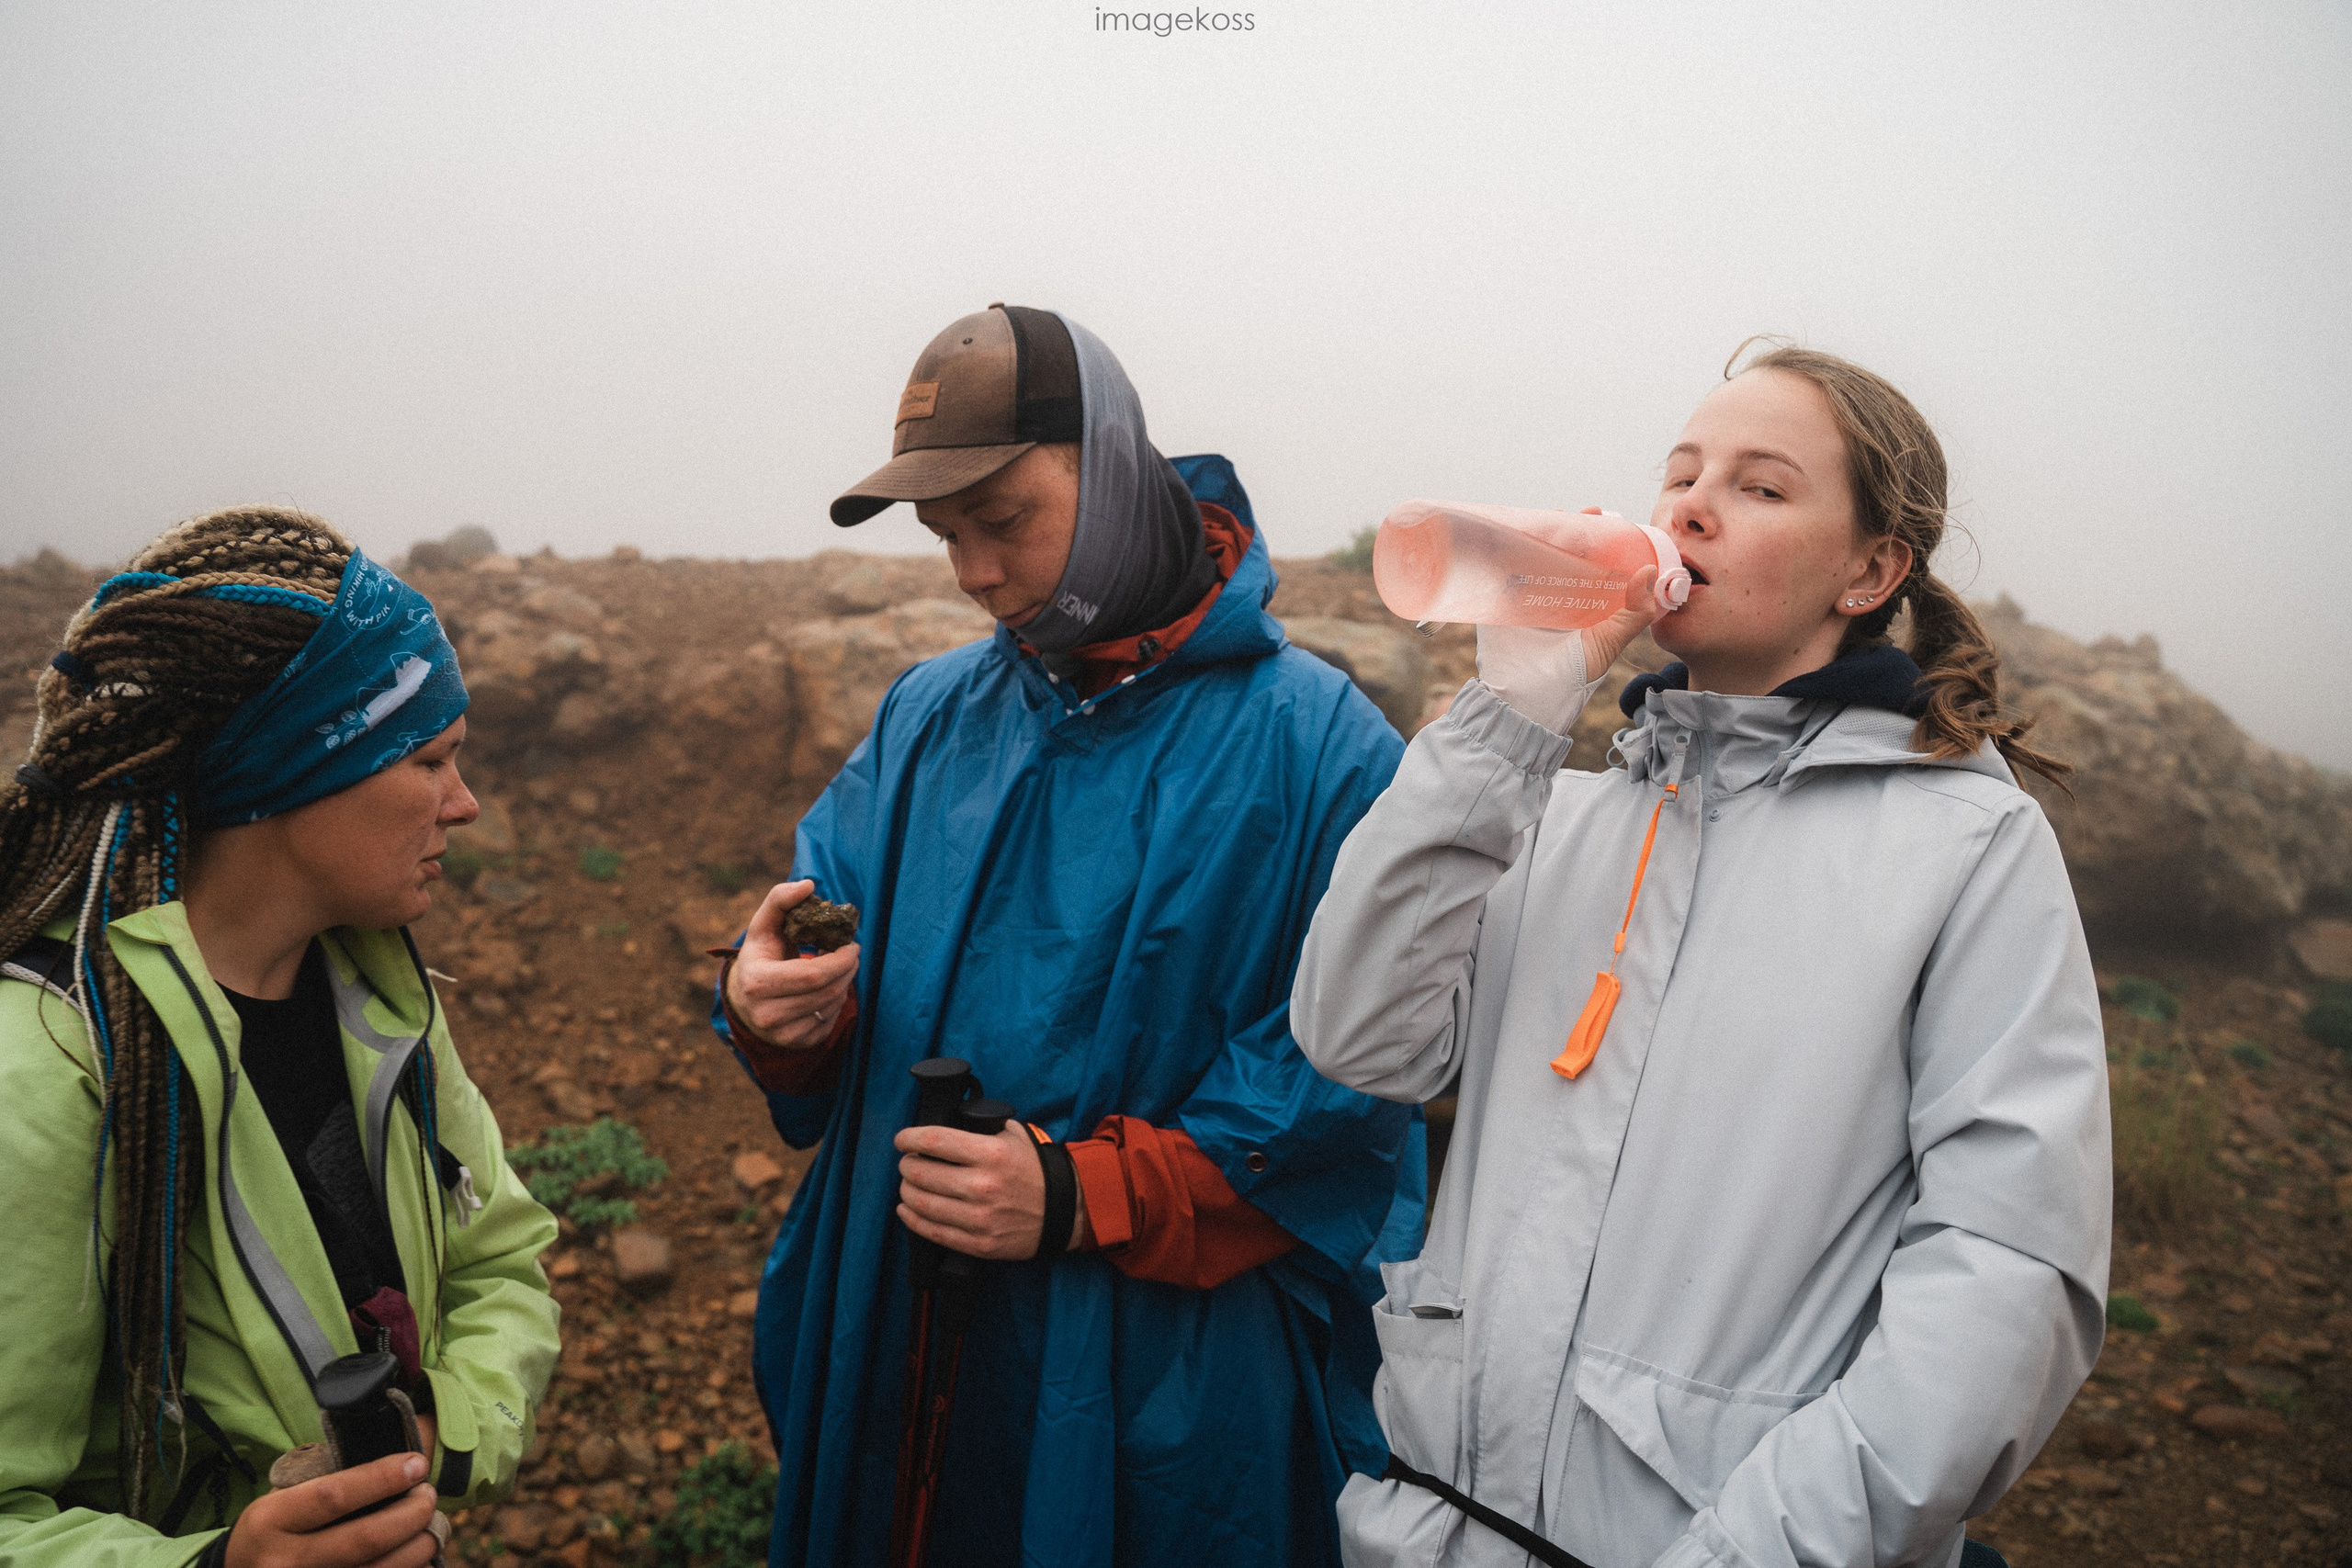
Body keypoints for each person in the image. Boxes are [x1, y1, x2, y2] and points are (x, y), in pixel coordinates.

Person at [1293, 345, 2109, 1568]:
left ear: (1871, 568)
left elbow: (2003, 1277)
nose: (1688, 503)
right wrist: (1505, 722)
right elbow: (1356, 1034)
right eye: (1680, 472)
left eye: (1761, 485)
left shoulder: (1967, 847)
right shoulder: (1553, 811)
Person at [714, 304, 1423, 1566]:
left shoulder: (1319, 744)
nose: (976, 572)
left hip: (1159, 1366)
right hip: (901, 1316)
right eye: (947, 536)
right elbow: (825, 931)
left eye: (1005, 520)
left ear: (1111, 470)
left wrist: (1082, 1189)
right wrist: (780, 1008)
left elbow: (1354, 1073)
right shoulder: (934, 713)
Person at [0, 509, 560, 1567]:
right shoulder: (46, 1073)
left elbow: (502, 1260)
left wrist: (438, 1434)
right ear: (296, 769)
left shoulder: (375, 993)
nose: (468, 804)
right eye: (431, 760)